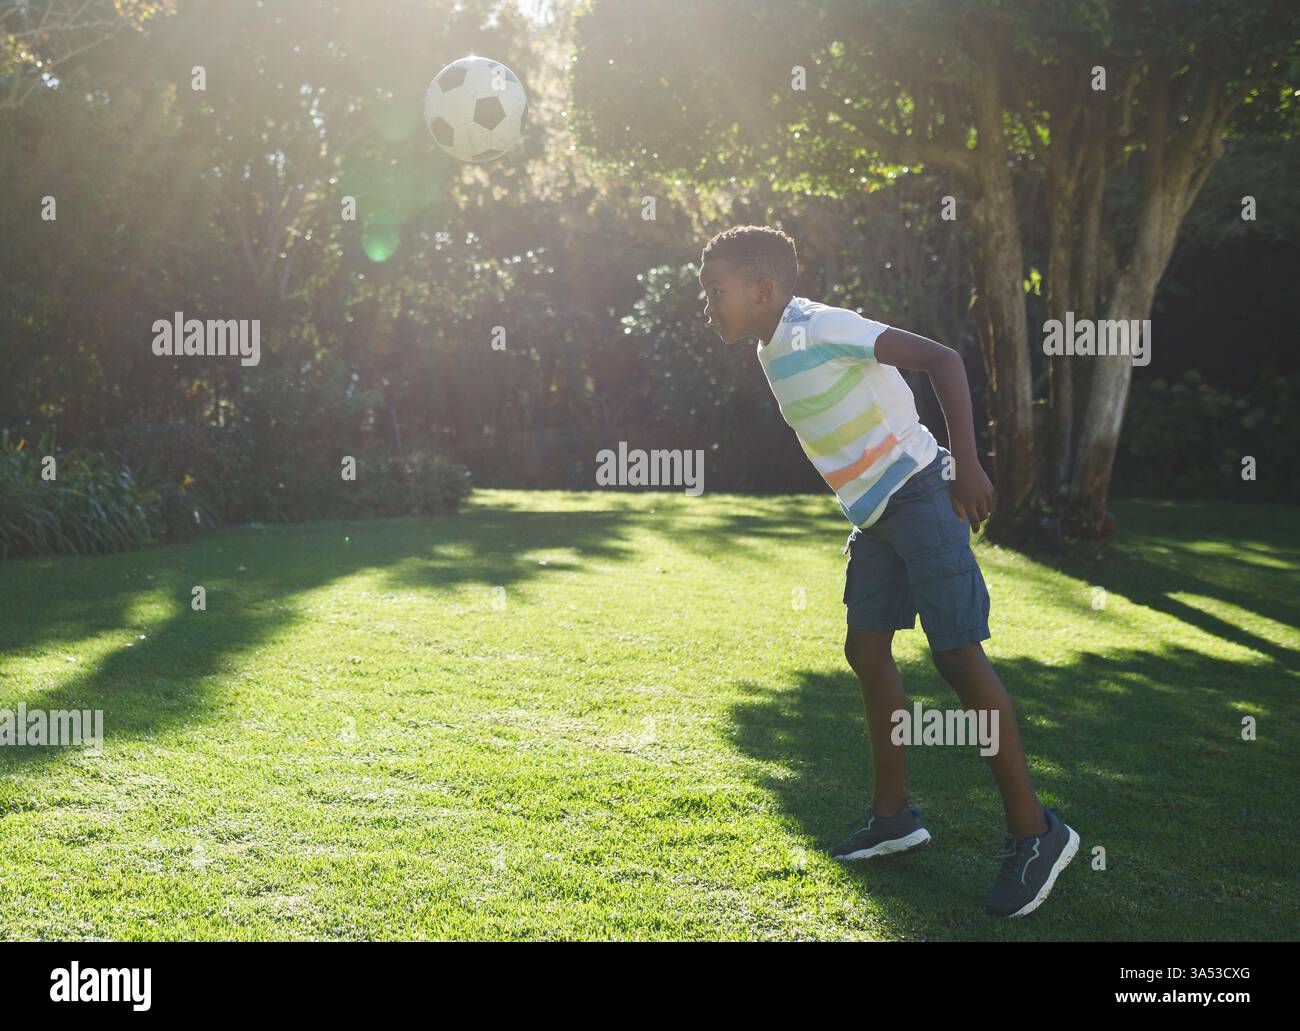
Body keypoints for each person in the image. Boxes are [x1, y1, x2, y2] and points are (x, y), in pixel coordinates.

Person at [699, 225, 1079, 918]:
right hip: (874, 515)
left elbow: (943, 359)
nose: (708, 306)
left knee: (959, 655)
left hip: (922, 493)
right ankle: (894, 817)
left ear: (762, 290)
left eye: (715, 292)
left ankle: (1036, 831)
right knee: (866, 650)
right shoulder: (768, 346)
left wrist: (966, 461)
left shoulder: (820, 325)